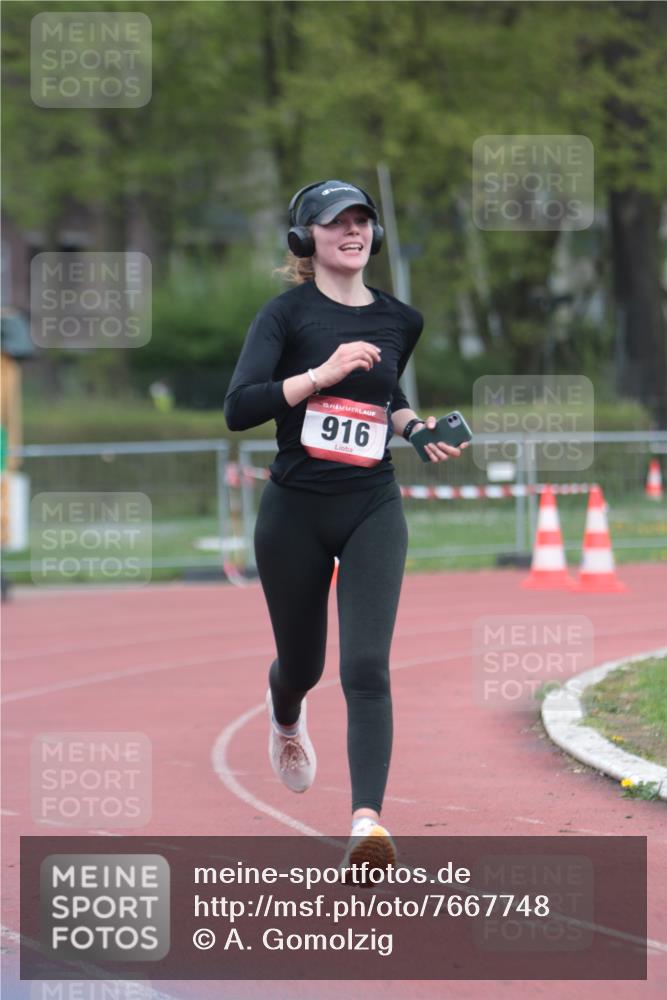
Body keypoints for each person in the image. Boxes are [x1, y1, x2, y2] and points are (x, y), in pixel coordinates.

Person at [224, 179, 468, 872]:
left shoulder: (400, 319)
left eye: (361, 220)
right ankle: (285, 713)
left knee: (365, 668)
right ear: (306, 240)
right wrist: (319, 374)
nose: (352, 231)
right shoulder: (283, 316)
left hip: (371, 506)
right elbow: (239, 408)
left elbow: (384, 390)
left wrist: (416, 429)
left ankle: (366, 823)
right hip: (293, 512)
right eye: (336, 223)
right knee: (304, 665)